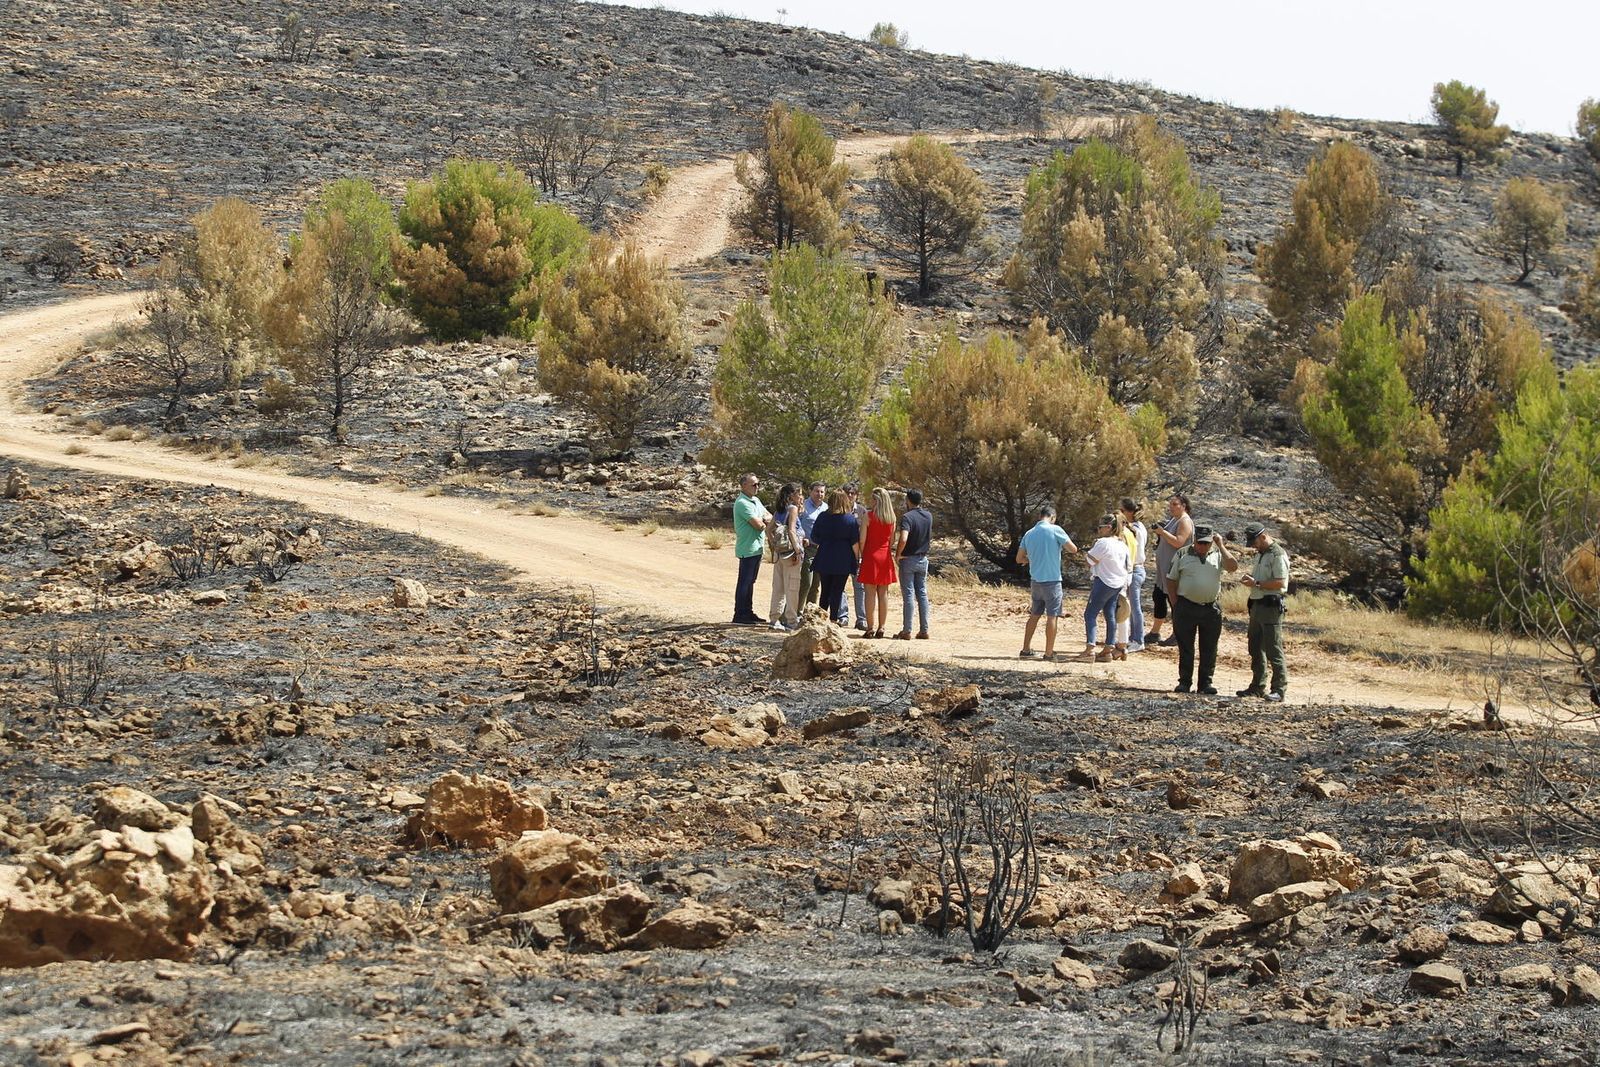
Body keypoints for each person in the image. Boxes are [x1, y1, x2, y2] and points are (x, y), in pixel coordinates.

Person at [1165, 523, 1238, 695]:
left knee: (1209, 648)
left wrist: (1221, 545)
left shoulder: (1218, 554)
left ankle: (1205, 683)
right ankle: (1184, 682)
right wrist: (1175, 604)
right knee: (1186, 647)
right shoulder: (1182, 554)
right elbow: (1171, 580)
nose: (1203, 546)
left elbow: (1233, 567)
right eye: (1200, 542)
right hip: (1186, 606)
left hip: (1210, 608)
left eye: (1207, 543)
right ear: (1194, 540)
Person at [1237, 522, 1291, 702]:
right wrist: (1253, 581)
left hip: (1270, 606)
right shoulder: (1261, 554)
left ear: (1263, 536)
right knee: (1255, 647)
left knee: (1273, 648)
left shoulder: (1277, 554)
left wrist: (1257, 583)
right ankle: (1257, 686)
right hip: (1257, 605)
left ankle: (1279, 689)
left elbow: (1280, 582)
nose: (1254, 546)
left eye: (1255, 542)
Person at [1017, 504, 1078, 660]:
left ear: (1040, 516)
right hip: (1052, 581)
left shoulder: (1029, 533)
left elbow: (1019, 558)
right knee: (1052, 616)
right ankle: (1049, 653)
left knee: (1034, 614)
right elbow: (1073, 549)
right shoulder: (1055, 529)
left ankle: (1025, 649)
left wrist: (1031, 559)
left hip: (1035, 581)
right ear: (1053, 517)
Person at [1081, 514, 1133, 661]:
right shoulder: (1122, 544)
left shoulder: (1103, 543)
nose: (1099, 530)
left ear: (1109, 527)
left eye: (1101, 527)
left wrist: (1088, 553)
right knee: (1110, 615)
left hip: (1103, 581)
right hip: (1118, 583)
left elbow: (1090, 561)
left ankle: (1090, 649)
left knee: (1090, 614)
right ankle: (1108, 649)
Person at [1149, 493, 1194, 647]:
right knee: (1158, 597)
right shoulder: (1175, 519)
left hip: (1175, 570)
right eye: (1170, 504)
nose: (1171, 507)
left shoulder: (1185, 521)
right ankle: (1155, 632)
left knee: (1174, 602)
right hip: (1164, 570)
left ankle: (1178, 634)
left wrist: (1162, 532)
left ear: (1184, 506)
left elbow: (1179, 542)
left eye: (1175, 504)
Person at [809, 489, 860, 626]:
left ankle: (821, 618)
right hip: (843, 558)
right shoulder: (850, 519)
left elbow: (814, 537)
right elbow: (855, 542)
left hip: (825, 555)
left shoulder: (822, 517)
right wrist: (857, 559)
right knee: (837, 590)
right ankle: (833, 619)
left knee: (825, 590)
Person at [857, 487, 898, 638]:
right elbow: (892, 540)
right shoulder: (891, 518)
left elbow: (862, 539)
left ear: (876, 500)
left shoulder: (868, 516)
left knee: (869, 593)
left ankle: (870, 627)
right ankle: (882, 626)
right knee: (883, 593)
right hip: (885, 556)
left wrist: (863, 554)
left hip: (871, 555)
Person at [893, 488, 932, 640]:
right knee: (922, 594)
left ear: (908, 500)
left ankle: (907, 630)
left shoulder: (907, 517)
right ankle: (924, 629)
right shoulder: (928, 516)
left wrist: (898, 554)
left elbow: (903, 538)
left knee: (908, 594)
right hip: (923, 558)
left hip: (908, 559)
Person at [731, 473, 769, 625]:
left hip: (757, 547)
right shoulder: (742, 503)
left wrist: (764, 520)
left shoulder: (756, 500)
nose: (757, 487)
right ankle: (740, 614)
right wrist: (764, 521)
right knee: (745, 582)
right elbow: (758, 525)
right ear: (744, 486)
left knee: (750, 581)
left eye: (758, 484)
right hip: (747, 548)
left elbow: (768, 516)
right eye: (754, 484)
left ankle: (748, 611)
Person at [766, 483, 804, 631]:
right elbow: (792, 531)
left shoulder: (779, 510)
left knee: (778, 587)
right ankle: (791, 621)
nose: (800, 497)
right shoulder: (792, 509)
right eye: (798, 494)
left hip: (779, 553)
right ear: (791, 495)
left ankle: (774, 619)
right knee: (792, 587)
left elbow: (768, 530)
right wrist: (798, 550)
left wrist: (774, 545)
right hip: (791, 554)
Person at [1119, 498, 1149, 652]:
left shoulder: (1133, 529)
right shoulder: (1140, 527)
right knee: (1132, 605)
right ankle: (1133, 637)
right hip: (1137, 568)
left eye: (1122, 511)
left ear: (1129, 512)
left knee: (1135, 606)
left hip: (1135, 569)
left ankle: (1138, 639)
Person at [796, 481, 829, 607]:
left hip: (822, 550)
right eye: (817, 491)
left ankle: (810, 612)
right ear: (810, 491)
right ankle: (797, 612)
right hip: (807, 548)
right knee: (806, 583)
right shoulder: (803, 506)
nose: (819, 494)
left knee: (816, 585)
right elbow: (796, 525)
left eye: (822, 492)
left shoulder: (826, 508)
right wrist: (801, 539)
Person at [844, 482, 869, 630]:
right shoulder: (838, 510)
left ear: (856, 495)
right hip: (841, 553)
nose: (850, 495)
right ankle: (842, 617)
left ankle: (861, 619)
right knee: (840, 586)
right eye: (847, 493)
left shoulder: (862, 511)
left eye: (852, 493)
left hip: (858, 554)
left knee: (859, 587)